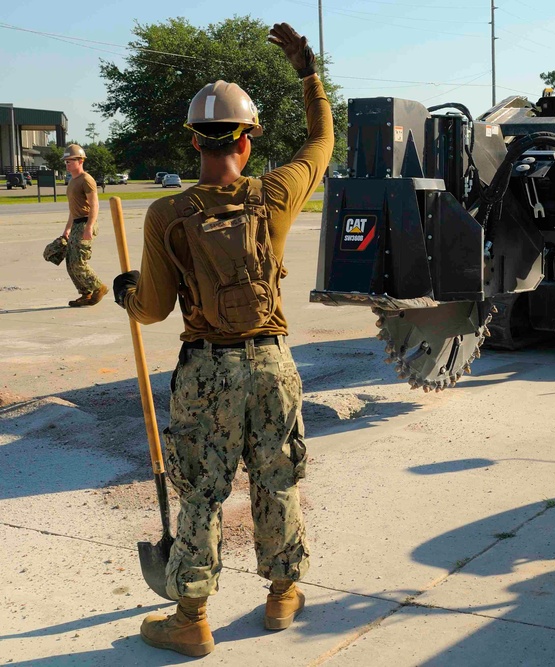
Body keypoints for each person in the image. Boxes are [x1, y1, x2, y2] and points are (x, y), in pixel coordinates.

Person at [111, 22, 333, 657]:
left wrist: (128, 289)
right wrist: (307, 73)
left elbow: (150, 311)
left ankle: (191, 617)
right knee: (278, 477)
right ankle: (282, 594)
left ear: (194, 140)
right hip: (271, 363)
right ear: (247, 136)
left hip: (206, 371)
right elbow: (322, 139)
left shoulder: (167, 215)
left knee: (204, 492)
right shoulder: (276, 194)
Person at [61, 144, 107, 306]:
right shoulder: (72, 181)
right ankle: (86, 293)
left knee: (78, 262)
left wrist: (89, 227)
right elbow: (73, 210)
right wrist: (67, 229)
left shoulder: (86, 180)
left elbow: (94, 205)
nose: (67, 164)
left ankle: (98, 287)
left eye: (70, 161)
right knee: (70, 262)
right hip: (76, 224)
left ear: (81, 161)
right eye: (66, 161)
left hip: (86, 223)